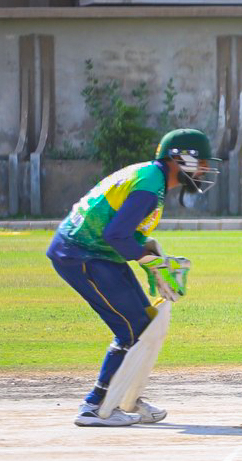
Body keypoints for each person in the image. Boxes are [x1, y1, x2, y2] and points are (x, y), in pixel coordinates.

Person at [46, 129, 219, 426]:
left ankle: (126, 399)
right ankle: (94, 406)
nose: (204, 169)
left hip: (99, 253)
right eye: (201, 162)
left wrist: (153, 253)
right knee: (131, 330)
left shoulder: (153, 179)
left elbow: (126, 232)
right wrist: (148, 260)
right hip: (80, 254)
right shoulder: (150, 186)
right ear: (179, 157)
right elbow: (115, 234)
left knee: (147, 324)